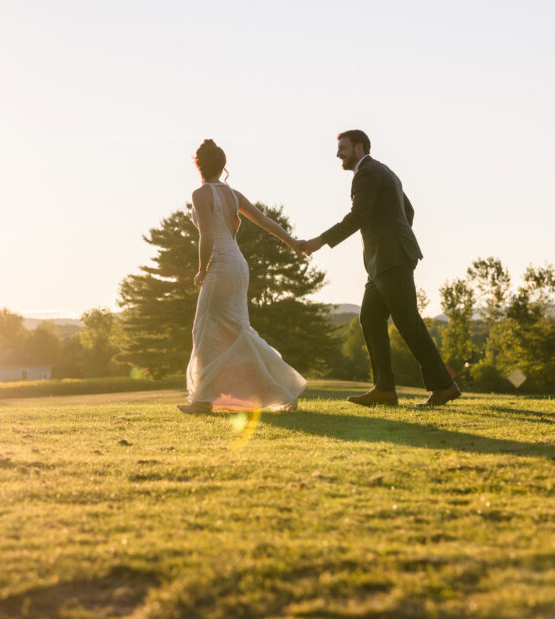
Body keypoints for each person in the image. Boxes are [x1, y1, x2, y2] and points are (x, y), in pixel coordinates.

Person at [299, 130, 461, 407]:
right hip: (385, 259)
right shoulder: (385, 172)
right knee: (371, 319)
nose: (339, 154)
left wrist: (318, 242)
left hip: (390, 259)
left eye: (343, 148)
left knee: (408, 321)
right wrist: (394, 237)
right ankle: (384, 389)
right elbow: (407, 211)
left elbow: (357, 217)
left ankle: (444, 386)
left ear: (359, 148)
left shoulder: (366, 174)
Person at [177, 139, 308, 415]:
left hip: (220, 265)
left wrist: (202, 268)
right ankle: (273, 391)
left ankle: (203, 400)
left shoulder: (201, 194)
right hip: (238, 265)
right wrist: (291, 241)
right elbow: (264, 220)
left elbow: (207, 235)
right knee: (236, 330)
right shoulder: (233, 194)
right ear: (223, 166)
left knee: (205, 328)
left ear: (198, 166)